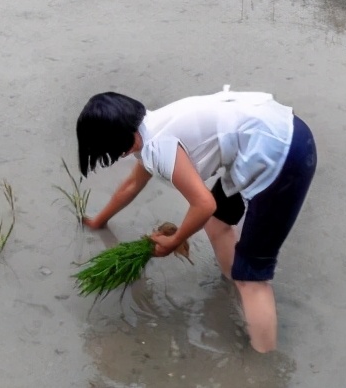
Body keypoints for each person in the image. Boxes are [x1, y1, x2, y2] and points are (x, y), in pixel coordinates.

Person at [76, 87, 317, 353]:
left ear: (126, 140)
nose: (114, 156)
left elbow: (204, 204)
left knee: (252, 274)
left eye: (110, 150)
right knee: (217, 222)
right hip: (271, 132)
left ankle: (263, 361)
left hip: (283, 152)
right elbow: (133, 184)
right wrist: (99, 220)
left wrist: (175, 241)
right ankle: (235, 285)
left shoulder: (158, 146)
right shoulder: (150, 127)